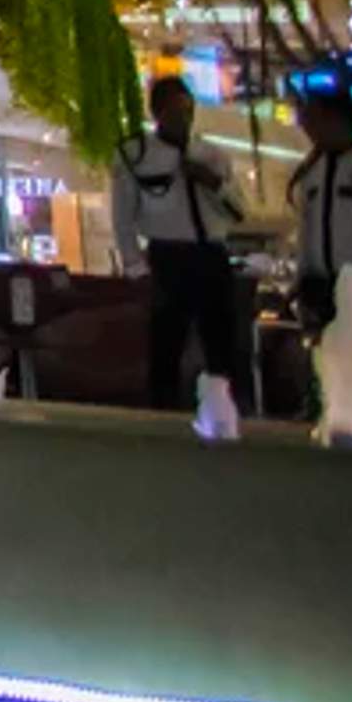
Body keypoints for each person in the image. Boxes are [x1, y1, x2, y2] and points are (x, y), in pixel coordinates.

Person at [114, 75, 248, 437]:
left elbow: (239, 210)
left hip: (211, 254)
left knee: (221, 341)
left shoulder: (212, 155)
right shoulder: (137, 155)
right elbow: (123, 216)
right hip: (167, 255)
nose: (183, 119)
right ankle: (163, 418)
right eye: (174, 111)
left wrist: (212, 181)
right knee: (166, 344)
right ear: (157, 113)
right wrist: (135, 267)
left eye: (188, 111)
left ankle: (224, 414)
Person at [290, 81, 352, 341]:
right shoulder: (311, 172)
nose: (306, 128)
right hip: (319, 288)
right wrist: (299, 283)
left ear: (335, 119)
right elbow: (305, 231)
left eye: (312, 120)